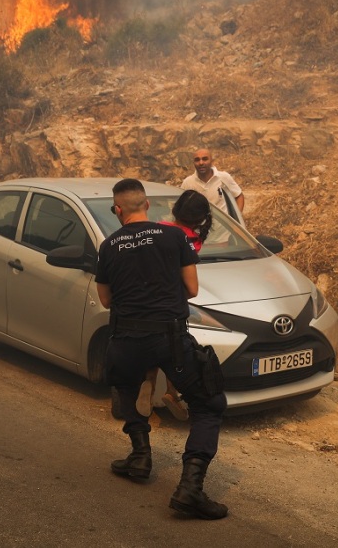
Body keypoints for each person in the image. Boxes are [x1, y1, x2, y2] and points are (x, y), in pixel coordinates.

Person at [96, 178, 228, 520]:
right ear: (148, 205)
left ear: (117, 210)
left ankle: (140, 456)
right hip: (168, 338)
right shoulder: (175, 237)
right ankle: (190, 488)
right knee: (208, 404)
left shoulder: (109, 246)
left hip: (125, 339)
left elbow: (106, 299)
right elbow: (192, 289)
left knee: (126, 388)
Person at [136, 190, 214, 421]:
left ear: (175, 209)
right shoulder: (193, 241)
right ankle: (172, 392)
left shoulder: (156, 228)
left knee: (152, 347)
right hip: (172, 303)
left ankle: (148, 384)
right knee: (174, 351)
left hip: (147, 300)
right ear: (200, 219)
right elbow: (190, 287)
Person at [181, 148, 245, 216]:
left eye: (205, 159)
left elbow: (239, 196)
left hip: (222, 225)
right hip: (199, 225)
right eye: (197, 160)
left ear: (212, 161)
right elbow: (180, 206)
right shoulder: (188, 183)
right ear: (193, 162)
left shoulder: (224, 177)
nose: (201, 163)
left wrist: (236, 218)